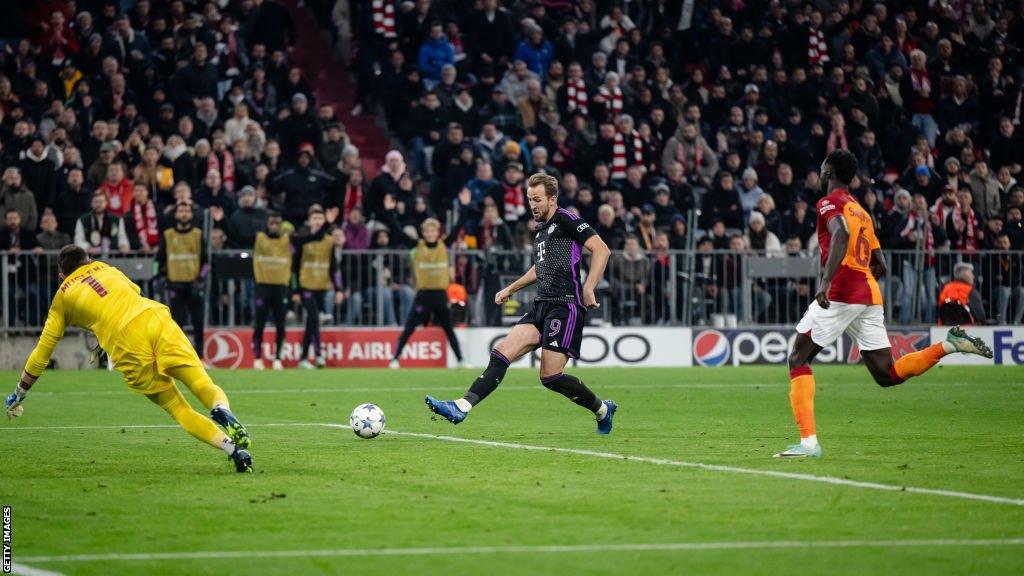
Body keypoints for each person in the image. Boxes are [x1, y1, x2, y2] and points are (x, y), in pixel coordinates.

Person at [777, 150, 993, 458]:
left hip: (842, 290)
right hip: (869, 293)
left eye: (822, 166)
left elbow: (840, 234)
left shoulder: (830, 202)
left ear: (828, 172)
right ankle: (949, 345)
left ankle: (809, 444)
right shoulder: (862, 211)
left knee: (798, 357)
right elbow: (881, 263)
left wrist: (826, 281)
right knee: (886, 374)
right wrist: (860, 279)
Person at [4, 245, 253, 473]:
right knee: (200, 382)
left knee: (177, 408)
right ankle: (222, 409)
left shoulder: (61, 298)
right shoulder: (106, 267)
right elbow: (128, 294)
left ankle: (232, 449)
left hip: (125, 342)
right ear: (88, 260)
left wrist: (21, 390)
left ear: (61, 275)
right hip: (153, 317)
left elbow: (42, 351)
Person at [425, 173, 617, 434]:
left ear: (552, 199)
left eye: (537, 200)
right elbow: (540, 268)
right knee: (502, 351)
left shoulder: (567, 219)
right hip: (541, 306)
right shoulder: (540, 230)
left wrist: (589, 286)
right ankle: (462, 406)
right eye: (529, 200)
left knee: (550, 377)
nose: (532, 205)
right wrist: (511, 288)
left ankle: (603, 410)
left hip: (565, 305)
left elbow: (602, 249)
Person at [389, 218, 466, 369]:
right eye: (427, 231)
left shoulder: (444, 245)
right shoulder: (417, 246)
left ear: (438, 233)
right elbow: (398, 232)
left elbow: (457, 228)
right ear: (423, 233)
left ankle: (460, 360)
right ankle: (395, 359)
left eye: (433, 231)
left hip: (440, 296)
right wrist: (391, 213)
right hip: (423, 296)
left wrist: (464, 207)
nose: (430, 234)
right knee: (409, 328)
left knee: (449, 329)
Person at [291, 206, 343, 369]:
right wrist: (294, 290)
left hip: (321, 286)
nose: (318, 221)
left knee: (312, 322)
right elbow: (294, 267)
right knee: (313, 317)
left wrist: (339, 288)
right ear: (309, 220)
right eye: (315, 218)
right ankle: (315, 355)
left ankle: (306, 358)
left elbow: (333, 267)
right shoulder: (301, 238)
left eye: (320, 218)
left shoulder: (329, 241)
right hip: (306, 285)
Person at [157, 202, 207, 360]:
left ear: (191, 215)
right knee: (177, 324)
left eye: (187, 211)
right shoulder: (168, 235)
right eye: (181, 211)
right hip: (175, 286)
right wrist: (157, 277)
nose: (184, 213)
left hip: (194, 285)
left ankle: (200, 357)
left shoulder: (198, 235)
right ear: (176, 214)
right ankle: (180, 357)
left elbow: (206, 262)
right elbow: (157, 261)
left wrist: (200, 278)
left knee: (198, 323)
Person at [251, 212, 291, 370]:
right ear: (267, 224)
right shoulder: (260, 238)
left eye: (277, 223)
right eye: (272, 223)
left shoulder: (287, 241)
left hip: (280, 288)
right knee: (259, 324)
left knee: (281, 324)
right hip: (263, 286)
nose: (274, 226)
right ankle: (257, 358)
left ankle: (278, 358)